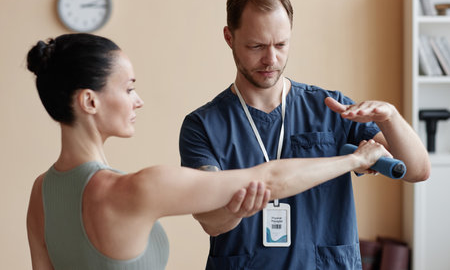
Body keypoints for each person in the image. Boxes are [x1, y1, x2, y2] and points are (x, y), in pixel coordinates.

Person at [25, 33, 391, 270]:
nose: (138, 101)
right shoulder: (136, 188)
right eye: (128, 89)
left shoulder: (42, 191)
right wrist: (356, 160)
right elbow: (268, 178)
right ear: (89, 101)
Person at [178, 0, 431, 270]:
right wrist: (239, 206)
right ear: (229, 37)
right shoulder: (202, 126)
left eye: (281, 44)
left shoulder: (331, 109)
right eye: (256, 45)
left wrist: (390, 117)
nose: (271, 59)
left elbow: (416, 170)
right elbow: (212, 221)